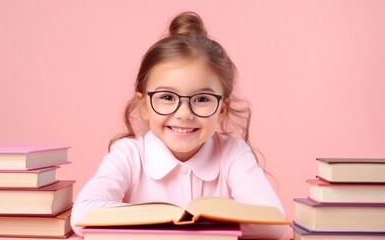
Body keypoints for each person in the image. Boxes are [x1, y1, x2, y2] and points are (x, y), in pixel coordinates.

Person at [71, 11, 286, 239]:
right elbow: (83, 216)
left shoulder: (233, 154)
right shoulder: (128, 154)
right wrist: (170, 220)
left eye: (202, 99)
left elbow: (273, 223)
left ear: (221, 109)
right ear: (144, 105)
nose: (184, 114)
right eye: (167, 97)